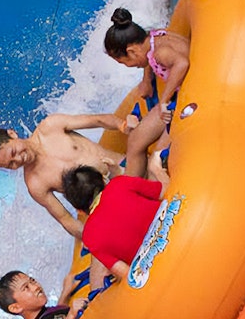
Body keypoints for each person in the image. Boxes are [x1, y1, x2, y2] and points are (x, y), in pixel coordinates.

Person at [0, 112, 133, 239]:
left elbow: (97, 120)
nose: (18, 159)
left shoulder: (50, 127)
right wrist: (95, 239)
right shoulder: (35, 183)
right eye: (11, 164)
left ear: (12, 134)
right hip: (108, 204)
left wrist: (123, 125)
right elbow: (65, 219)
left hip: (127, 170)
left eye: (14, 152)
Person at [62, 104, 170, 286]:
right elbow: (166, 191)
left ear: (79, 210)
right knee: (153, 166)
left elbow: (126, 273)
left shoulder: (90, 237)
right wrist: (156, 169)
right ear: (103, 181)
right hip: (177, 229)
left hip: (159, 265)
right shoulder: (119, 184)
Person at [103, 7, 190, 110]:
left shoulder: (161, 53)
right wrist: (146, 80)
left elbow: (182, 64)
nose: (128, 66)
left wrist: (164, 99)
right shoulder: (152, 39)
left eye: (123, 62)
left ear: (131, 52)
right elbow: (147, 57)